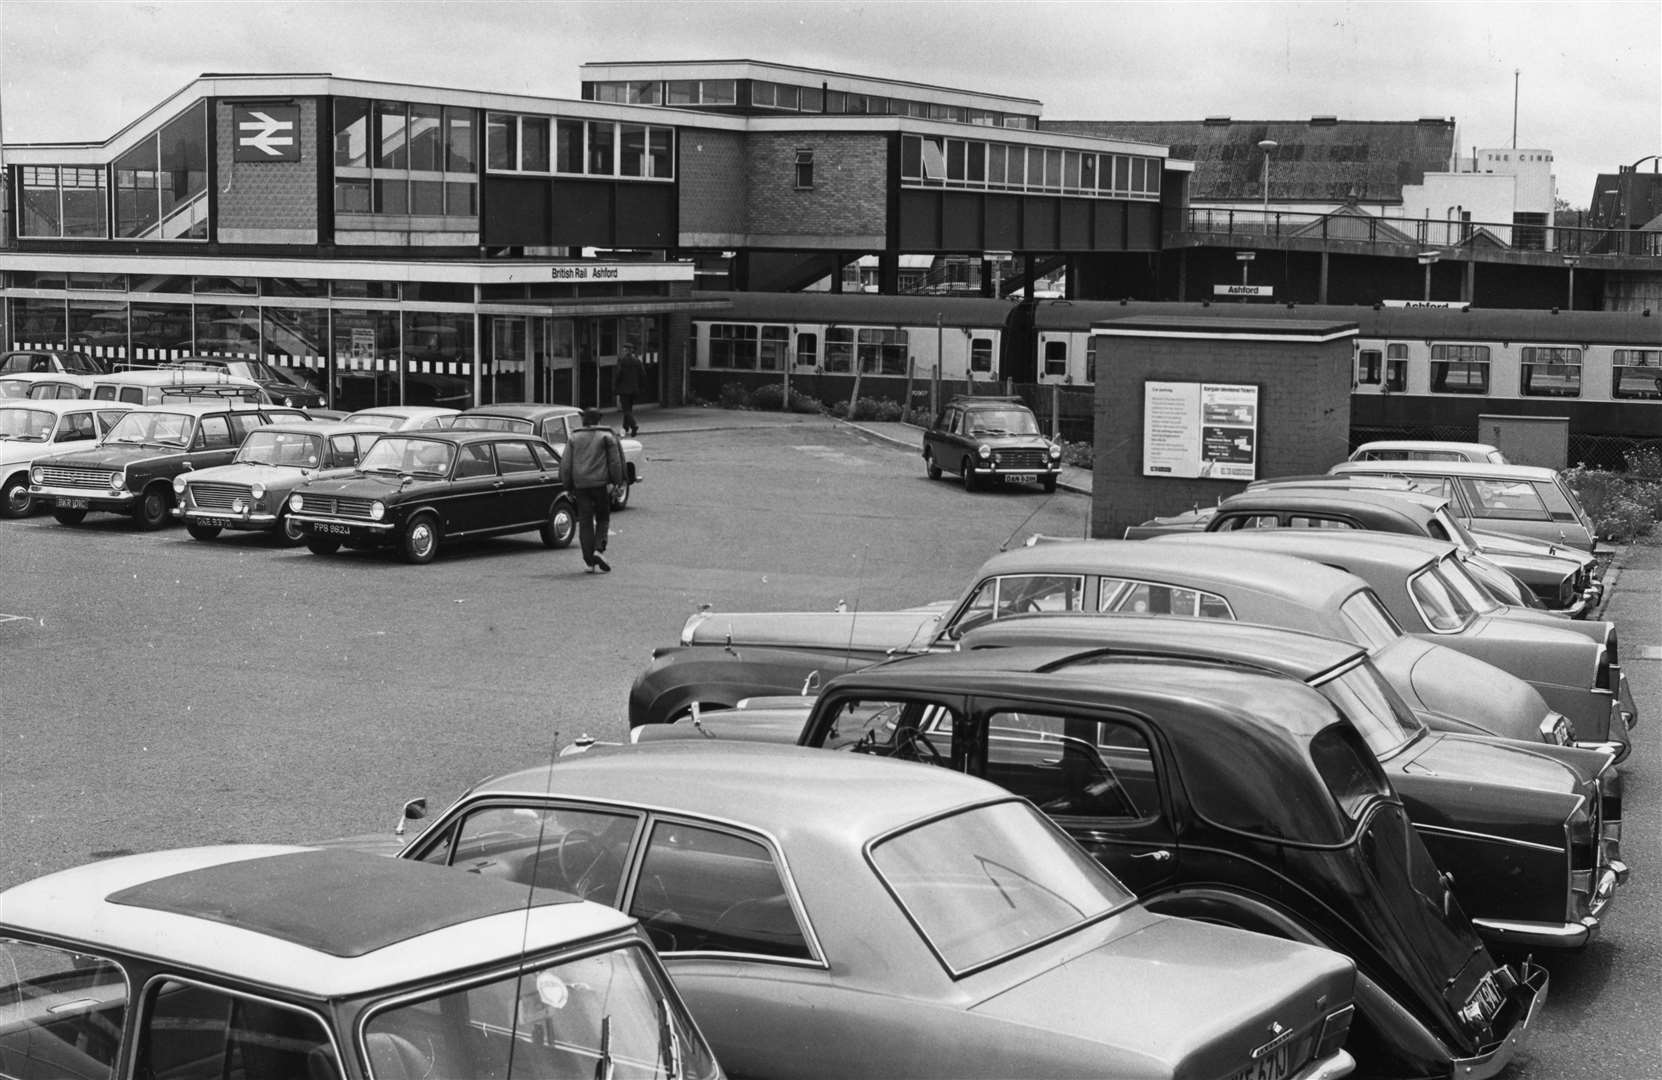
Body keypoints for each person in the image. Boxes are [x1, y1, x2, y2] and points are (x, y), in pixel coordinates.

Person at [558, 406, 625, 572]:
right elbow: (614, 462)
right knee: (603, 517)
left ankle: (589, 560)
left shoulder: (574, 437)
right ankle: (598, 549)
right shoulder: (606, 436)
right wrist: (617, 482)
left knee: (585, 521)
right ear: (599, 420)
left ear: (584, 419)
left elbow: (566, 464)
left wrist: (567, 485)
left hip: (580, 486)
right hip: (600, 485)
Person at [613, 351, 643, 437]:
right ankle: (625, 428)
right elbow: (642, 374)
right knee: (629, 409)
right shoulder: (637, 361)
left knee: (626, 410)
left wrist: (615, 386)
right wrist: (640, 387)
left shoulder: (622, 361)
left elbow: (618, 375)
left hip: (624, 390)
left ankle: (634, 425)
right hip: (634, 390)